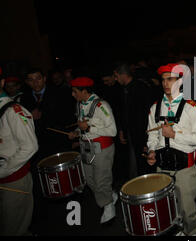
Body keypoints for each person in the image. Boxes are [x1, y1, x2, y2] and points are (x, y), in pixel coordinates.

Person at [144, 63, 196, 236]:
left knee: (187, 209)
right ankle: (178, 230)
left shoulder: (192, 107)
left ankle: (191, 234)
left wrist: (174, 135)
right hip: (162, 166)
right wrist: (151, 151)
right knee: (169, 205)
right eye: (163, 80)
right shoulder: (155, 107)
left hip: (184, 169)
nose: (165, 84)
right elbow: (152, 136)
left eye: (170, 79)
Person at [68, 77, 118, 224]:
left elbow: (112, 131)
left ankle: (108, 207)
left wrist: (89, 128)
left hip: (102, 148)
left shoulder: (102, 106)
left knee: (102, 180)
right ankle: (109, 196)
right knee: (89, 179)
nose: (72, 94)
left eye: (75, 91)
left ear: (84, 91)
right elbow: (83, 125)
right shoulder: (79, 104)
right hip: (86, 147)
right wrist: (77, 132)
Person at [0, 67, 39, 235]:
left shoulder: (14, 111)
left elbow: (30, 146)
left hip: (13, 179)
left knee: (14, 229)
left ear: (1, 83)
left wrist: (3, 170)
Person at [114, 62, 159, 178]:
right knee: (134, 163)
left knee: (144, 164)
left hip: (141, 133)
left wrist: (146, 139)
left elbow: (146, 115)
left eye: (116, 76)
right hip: (131, 133)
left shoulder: (141, 88)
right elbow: (124, 113)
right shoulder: (122, 90)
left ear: (123, 75)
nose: (115, 79)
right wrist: (122, 130)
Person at [20, 68, 75, 160]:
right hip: (38, 144)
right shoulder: (24, 98)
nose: (35, 82)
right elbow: (22, 120)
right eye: (31, 80)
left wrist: (44, 114)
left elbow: (68, 116)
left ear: (44, 79)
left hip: (59, 140)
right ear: (27, 82)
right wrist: (28, 117)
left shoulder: (60, 93)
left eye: (38, 78)